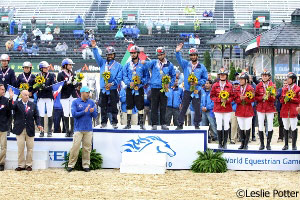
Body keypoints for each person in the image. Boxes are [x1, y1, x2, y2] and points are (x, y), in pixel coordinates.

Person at [175, 43, 208, 129]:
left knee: (197, 107)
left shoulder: (202, 67)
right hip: (187, 90)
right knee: (184, 107)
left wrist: (198, 83)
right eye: (191, 55)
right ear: (190, 56)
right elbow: (179, 60)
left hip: (197, 90)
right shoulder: (186, 64)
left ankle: (197, 124)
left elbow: (205, 78)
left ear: (197, 56)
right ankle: (180, 124)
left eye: (194, 55)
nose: (193, 57)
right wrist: (178, 52)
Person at [9, 89, 43, 171]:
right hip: (19, 129)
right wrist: (11, 98)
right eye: (25, 95)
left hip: (30, 129)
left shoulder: (33, 104)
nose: (27, 96)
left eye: (28, 95)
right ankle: (21, 165)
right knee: (20, 148)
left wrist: (39, 124)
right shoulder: (17, 103)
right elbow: (11, 107)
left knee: (30, 148)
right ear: (21, 95)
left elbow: (36, 116)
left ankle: (29, 165)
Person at [143, 47, 176, 130]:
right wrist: (143, 62)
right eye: (158, 55)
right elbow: (147, 64)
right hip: (154, 87)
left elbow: (173, 75)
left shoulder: (169, 64)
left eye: (161, 54)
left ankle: (163, 123)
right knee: (154, 106)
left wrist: (169, 84)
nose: (159, 56)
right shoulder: (154, 62)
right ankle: (154, 124)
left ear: (164, 54)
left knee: (163, 107)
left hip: (164, 88)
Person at [91, 40, 122, 129]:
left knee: (113, 106)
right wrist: (94, 48)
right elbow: (97, 56)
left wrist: (112, 84)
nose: (110, 56)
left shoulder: (118, 66)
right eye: (108, 55)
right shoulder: (102, 63)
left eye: (111, 54)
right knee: (102, 106)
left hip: (112, 89)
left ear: (114, 55)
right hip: (103, 89)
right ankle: (103, 122)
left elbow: (119, 78)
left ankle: (114, 122)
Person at [67, 86, 97, 172]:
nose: (88, 94)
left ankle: (86, 165)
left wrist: (92, 112)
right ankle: (71, 165)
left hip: (88, 129)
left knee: (87, 148)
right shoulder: (75, 102)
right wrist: (84, 111)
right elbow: (74, 114)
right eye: (87, 92)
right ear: (82, 93)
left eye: (89, 92)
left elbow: (95, 116)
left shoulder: (91, 102)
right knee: (75, 147)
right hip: (78, 129)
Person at [123, 45, 150, 129]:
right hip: (130, 88)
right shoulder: (127, 65)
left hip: (139, 88)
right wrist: (128, 83)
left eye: (134, 53)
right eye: (131, 53)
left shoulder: (143, 64)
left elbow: (147, 76)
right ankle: (128, 124)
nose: (133, 54)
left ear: (138, 53)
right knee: (129, 105)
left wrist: (141, 82)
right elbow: (124, 76)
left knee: (140, 105)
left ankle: (141, 124)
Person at [210, 68, 234, 149]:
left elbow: (232, 96)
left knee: (226, 125)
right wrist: (219, 100)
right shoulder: (215, 85)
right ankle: (220, 143)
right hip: (218, 108)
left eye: (224, 75)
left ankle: (225, 142)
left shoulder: (230, 85)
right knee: (219, 124)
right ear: (219, 75)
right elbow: (212, 96)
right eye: (221, 75)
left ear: (226, 76)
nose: (222, 76)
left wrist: (227, 100)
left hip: (227, 108)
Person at [255, 69, 276, 150]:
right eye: (263, 76)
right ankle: (262, 144)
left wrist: (269, 96)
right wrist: (262, 97)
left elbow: (274, 98)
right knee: (260, 125)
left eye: (266, 76)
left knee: (270, 125)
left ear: (269, 77)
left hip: (270, 108)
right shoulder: (258, 86)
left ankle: (268, 144)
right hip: (260, 108)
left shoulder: (272, 85)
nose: (264, 77)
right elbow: (255, 97)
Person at [234, 73, 255, 150]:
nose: (241, 81)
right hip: (240, 110)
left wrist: (245, 98)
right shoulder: (237, 89)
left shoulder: (250, 88)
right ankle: (242, 143)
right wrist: (240, 99)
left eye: (242, 79)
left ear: (246, 80)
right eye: (240, 79)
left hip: (248, 110)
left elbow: (253, 99)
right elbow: (235, 99)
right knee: (241, 127)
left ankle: (246, 143)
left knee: (247, 127)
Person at [57, 58, 77, 137]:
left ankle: (72, 130)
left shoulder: (73, 73)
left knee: (72, 113)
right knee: (66, 112)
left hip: (72, 95)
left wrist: (76, 83)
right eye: (69, 65)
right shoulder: (60, 74)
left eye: (71, 65)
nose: (71, 66)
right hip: (64, 96)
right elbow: (59, 85)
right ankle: (66, 130)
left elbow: (75, 85)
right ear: (65, 65)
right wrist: (67, 83)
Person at [36, 61, 56, 137]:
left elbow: (53, 86)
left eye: (47, 67)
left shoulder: (51, 75)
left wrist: (46, 87)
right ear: (41, 68)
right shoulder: (37, 75)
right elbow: (36, 86)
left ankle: (49, 131)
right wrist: (39, 86)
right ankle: (41, 131)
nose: (47, 68)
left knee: (50, 113)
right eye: (45, 67)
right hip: (41, 97)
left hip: (49, 96)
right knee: (41, 114)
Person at [280, 72, 300, 150]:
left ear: (293, 80)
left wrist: (291, 98)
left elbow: (298, 100)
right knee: (285, 127)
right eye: (287, 78)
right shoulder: (284, 88)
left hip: (293, 110)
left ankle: (294, 145)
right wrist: (284, 98)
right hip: (285, 110)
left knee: (294, 127)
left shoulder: (298, 88)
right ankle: (286, 144)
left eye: (289, 79)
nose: (287, 80)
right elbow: (281, 99)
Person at [0, 84, 12, 171]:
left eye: (4, 90)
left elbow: (9, 114)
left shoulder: (6, 100)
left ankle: (1, 163)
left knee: (3, 147)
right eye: (2, 90)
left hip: (3, 127)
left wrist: (8, 125)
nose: (4, 91)